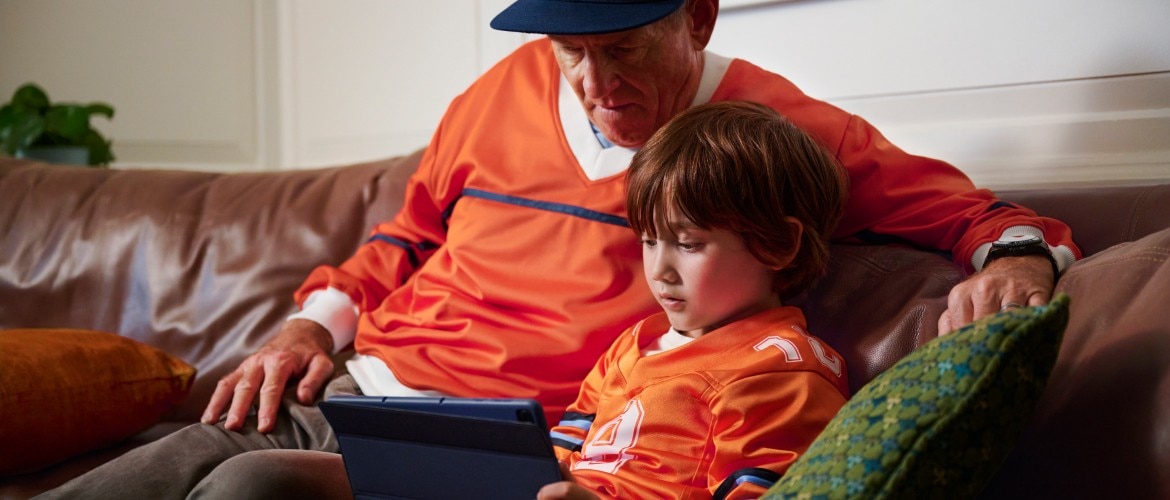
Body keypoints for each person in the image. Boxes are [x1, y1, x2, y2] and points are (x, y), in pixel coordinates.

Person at [41, 0, 1079, 498]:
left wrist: (1018, 258)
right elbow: (402, 235)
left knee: (237, 496)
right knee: (138, 475)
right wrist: (313, 319)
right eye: (567, 52)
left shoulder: (777, 134)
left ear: (698, 17)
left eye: (620, 50)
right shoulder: (497, 95)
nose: (590, 82)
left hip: (497, 440)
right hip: (349, 384)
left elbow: (979, 216)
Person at [537, 100, 850, 499]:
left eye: (688, 244)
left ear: (781, 244)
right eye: (649, 241)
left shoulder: (778, 370)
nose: (659, 271)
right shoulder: (633, 345)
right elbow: (563, 448)